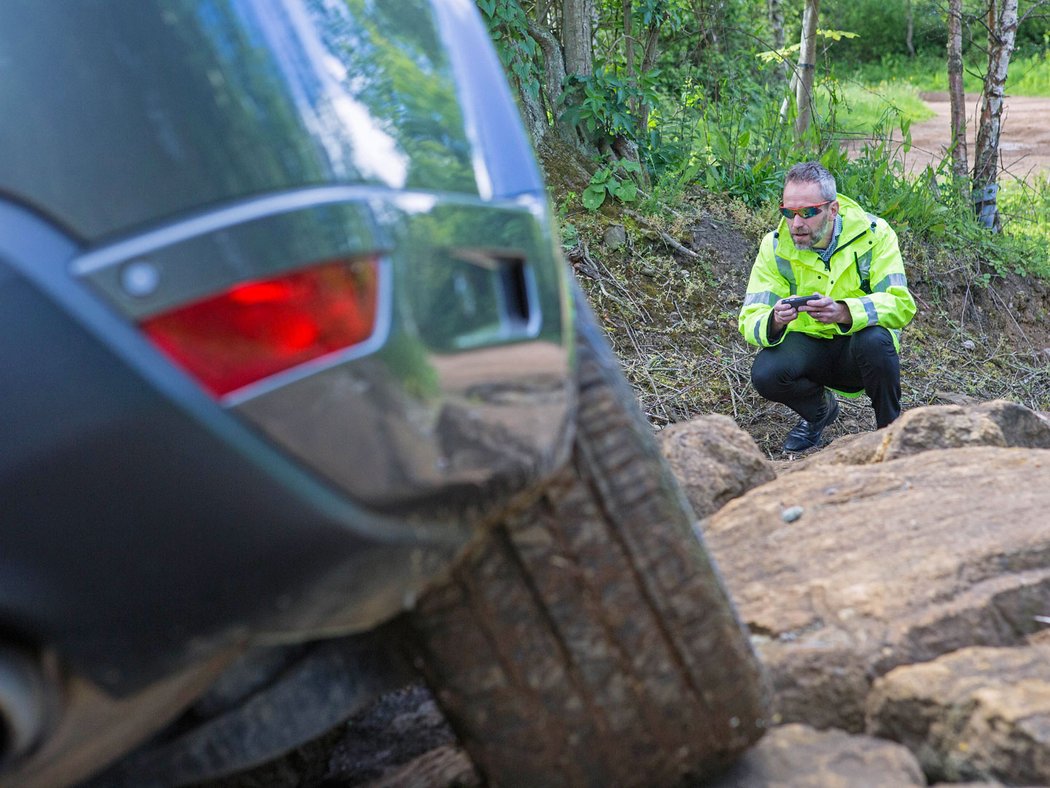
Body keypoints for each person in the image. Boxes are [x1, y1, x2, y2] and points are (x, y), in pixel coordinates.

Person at [738, 161, 917, 452]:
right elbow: (749, 318)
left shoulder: (875, 234)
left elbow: (900, 304)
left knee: (876, 339)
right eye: (788, 213)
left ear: (832, 210)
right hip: (810, 350)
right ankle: (820, 412)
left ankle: (890, 431)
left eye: (808, 213)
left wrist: (847, 311)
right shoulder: (773, 246)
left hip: (860, 351)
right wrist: (775, 320)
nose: (796, 224)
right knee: (766, 373)